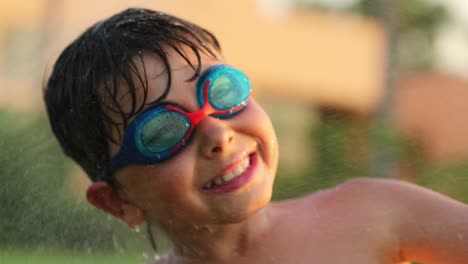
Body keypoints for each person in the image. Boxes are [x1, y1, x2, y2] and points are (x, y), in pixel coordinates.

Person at [44, 7, 468, 264]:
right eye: (163, 130)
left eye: (222, 91)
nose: (217, 132)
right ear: (117, 201)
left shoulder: (375, 213)